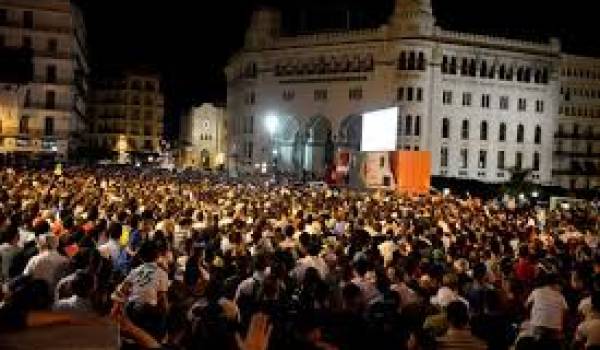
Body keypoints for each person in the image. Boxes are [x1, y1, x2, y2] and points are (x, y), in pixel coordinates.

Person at [111, 239, 168, 340]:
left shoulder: (134, 271)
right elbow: (163, 301)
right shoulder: (162, 273)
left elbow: (121, 292)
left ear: (141, 257)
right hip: (148, 315)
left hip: (132, 312)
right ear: (158, 255)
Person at [525, 273, 568, 340]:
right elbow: (565, 310)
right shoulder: (560, 296)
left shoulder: (536, 291)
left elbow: (526, 305)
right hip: (555, 328)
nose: (561, 288)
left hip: (538, 325)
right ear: (555, 284)